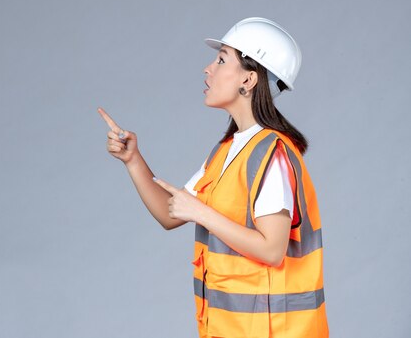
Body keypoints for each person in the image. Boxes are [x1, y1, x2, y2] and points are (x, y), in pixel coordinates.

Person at [98, 17, 329, 337]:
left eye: (221, 60)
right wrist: (133, 160)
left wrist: (201, 213)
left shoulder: (270, 154)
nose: (208, 69)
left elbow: (271, 250)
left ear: (248, 79)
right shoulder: (227, 151)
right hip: (231, 329)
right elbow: (171, 213)